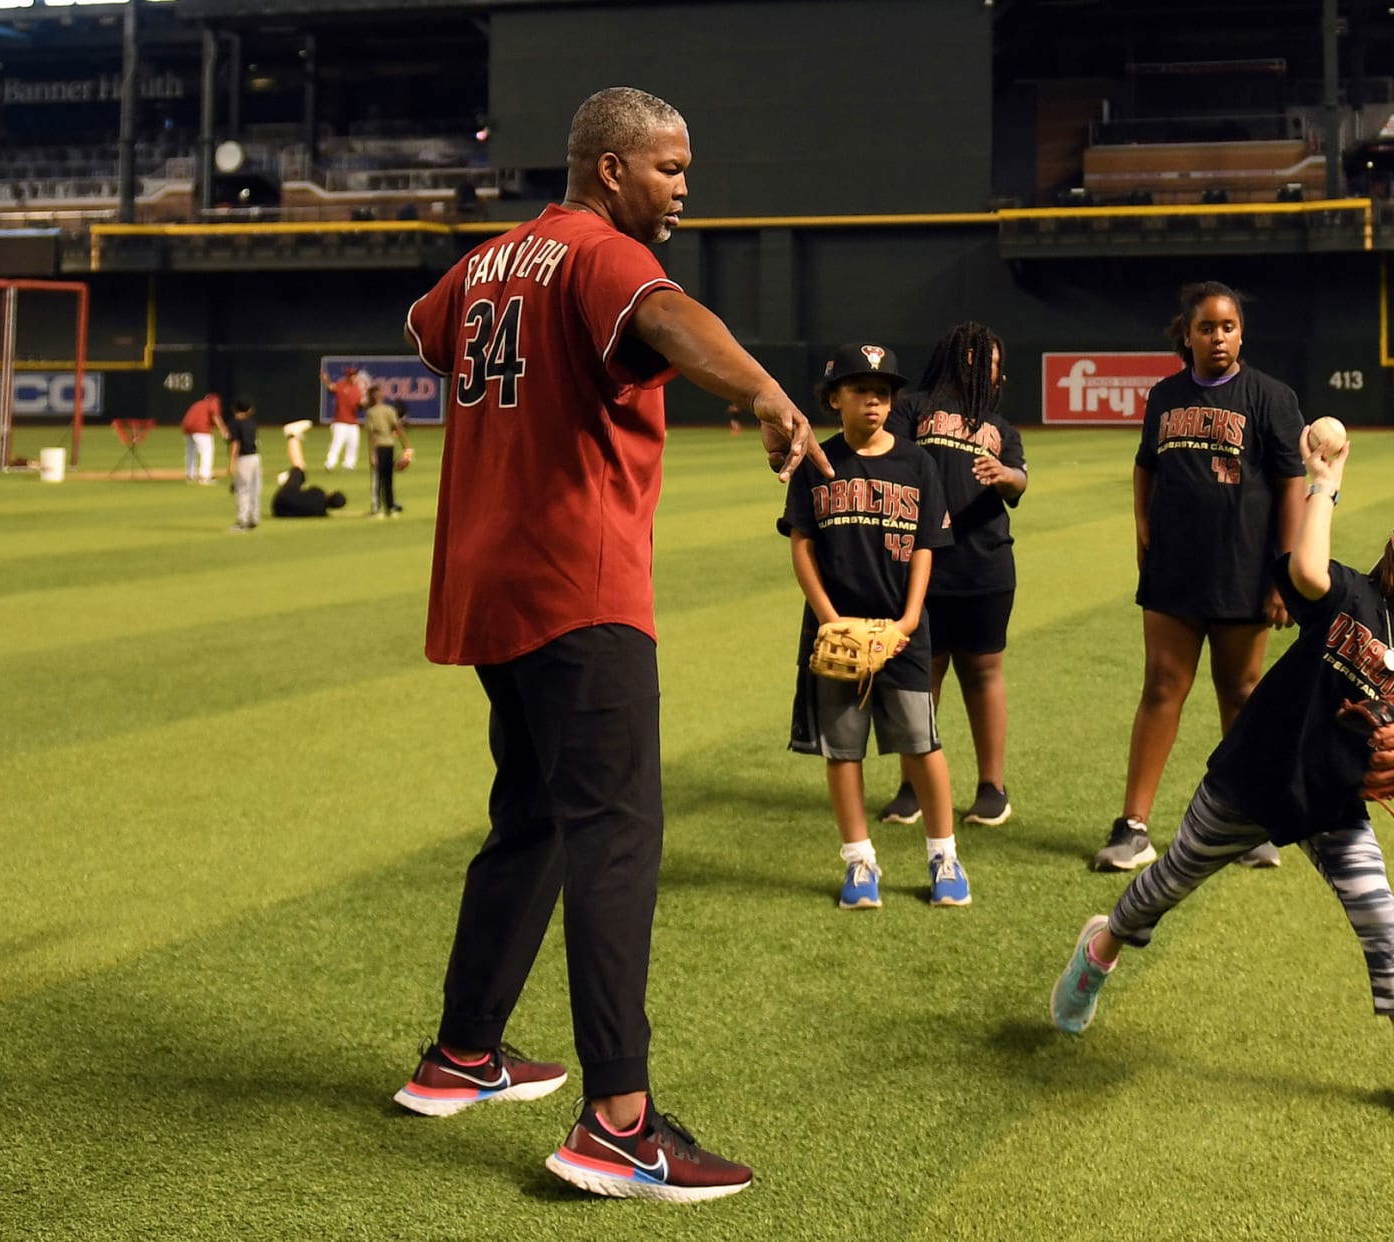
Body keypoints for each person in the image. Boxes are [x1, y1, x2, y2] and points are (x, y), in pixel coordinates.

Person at [392, 85, 829, 1204]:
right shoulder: (597, 255)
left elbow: (423, 332)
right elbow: (673, 320)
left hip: (491, 586)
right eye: (670, 167)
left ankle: (463, 1055)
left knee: (534, 814)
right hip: (578, 588)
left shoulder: (494, 257)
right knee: (616, 836)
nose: (684, 186)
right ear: (610, 169)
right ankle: (620, 1124)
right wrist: (770, 391)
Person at [1051, 424, 1394, 1130]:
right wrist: (1323, 483)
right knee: (1167, 884)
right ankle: (1100, 951)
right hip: (1249, 780)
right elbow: (1304, 570)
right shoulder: (1346, 593)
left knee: (1384, 922)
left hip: (1330, 804)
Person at [1093, 281, 1307, 873]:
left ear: (1242, 333)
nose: (1218, 337)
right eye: (1207, 328)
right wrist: (1141, 528)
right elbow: (1145, 468)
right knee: (1162, 685)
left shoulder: (1270, 396)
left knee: (1240, 692)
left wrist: (1284, 573)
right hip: (1175, 571)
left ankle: (1243, 822)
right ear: (1186, 336)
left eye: (1228, 327)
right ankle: (1132, 826)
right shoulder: (1164, 396)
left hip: (1244, 570)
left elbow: (1292, 484)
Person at [781, 343, 965, 910]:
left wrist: (909, 620)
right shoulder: (817, 461)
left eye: (883, 393)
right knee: (844, 750)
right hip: (836, 631)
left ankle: (944, 855)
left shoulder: (917, 463)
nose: (874, 402)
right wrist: (831, 620)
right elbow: (803, 546)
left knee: (922, 744)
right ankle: (859, 860)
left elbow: (927, 548)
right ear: (834, 398)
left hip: (903, 632)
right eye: (861, 391)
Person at [875, 323, 1026, 829]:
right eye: (976, 355)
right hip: (920, 566)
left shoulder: (1001, 428)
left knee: (983, 675)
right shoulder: (913, 409)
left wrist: (1007, 476)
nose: (985, 365)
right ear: (949, 358)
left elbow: (1019, 477)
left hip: (985, 564)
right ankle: (913, 784)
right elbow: (888, 461)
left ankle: (992, 788)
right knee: (923, 674)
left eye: (992, 359)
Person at [362, 384, 413, 518]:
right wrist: (406, 446)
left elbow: (372, 435)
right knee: (388, 479)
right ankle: (390, 507)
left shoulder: (371, 412)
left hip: (379, 446)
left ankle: (377, 508)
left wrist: (372, 455)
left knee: (377, 479)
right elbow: (398, 428)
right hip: (390, 445)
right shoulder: (390, 410)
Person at [223, 396, 262, 531]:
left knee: (243, 490)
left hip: (244, 459)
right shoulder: (251, 423)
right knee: (254, 490)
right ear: (249, 409)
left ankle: (242, 522)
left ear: (235, 409)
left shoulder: (234, 423)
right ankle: (253, 519)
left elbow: (235, 443)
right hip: (256, 458)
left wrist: (231, 464)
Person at [322, 365, 365, 470]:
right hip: (340, 421)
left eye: (354, 375)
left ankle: (349, 464)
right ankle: (330, 463)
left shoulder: (357, 389)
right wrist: (326, 379)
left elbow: (359, 405)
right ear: (347, 376)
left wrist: (363, 405)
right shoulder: (341, 385)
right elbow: (331, 387)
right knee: (337, 443)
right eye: (351, 375)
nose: (353, 377)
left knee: (353, 444)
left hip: (353, 422)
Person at [180, 391, 225, 485]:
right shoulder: (212, 402)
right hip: (201, 428)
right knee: (207, 451)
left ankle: (190, 475)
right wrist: (223, 430)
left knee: (191, 452)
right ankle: (205, 476)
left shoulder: (198, 403)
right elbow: (215, 416)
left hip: (187, 428)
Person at [271, 466, 347, 517]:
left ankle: (283, 479)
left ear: (332, 494)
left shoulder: (319, 493)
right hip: (279, 511)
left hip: (282, 497)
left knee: (298, 471)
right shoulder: (320, 513)